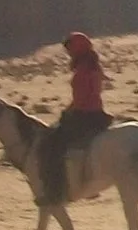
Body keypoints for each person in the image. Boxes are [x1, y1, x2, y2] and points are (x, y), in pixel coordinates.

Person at [35, 31, 112, 207]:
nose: (68, 53)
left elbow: (81, 98)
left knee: (52, 144)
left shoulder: (84, 68)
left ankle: (56, 191)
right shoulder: (92, 65)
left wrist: (68, 112)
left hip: (84, 115)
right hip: (96, 113)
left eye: (70, 49)